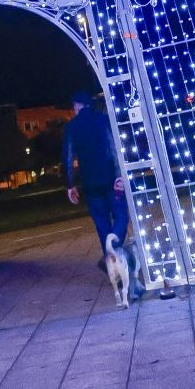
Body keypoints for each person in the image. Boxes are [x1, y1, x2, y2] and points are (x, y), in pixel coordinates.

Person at [62, 91, 144, 297]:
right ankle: (115, 248)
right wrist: (119, 174)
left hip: (90, 183)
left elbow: (68, 156)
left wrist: (70, 184)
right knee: (121, 215)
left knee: (101, 224)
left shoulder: (71, 127)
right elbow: (115, 146)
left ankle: (111, 260)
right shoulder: (104, 120)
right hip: (109, 179)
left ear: (78, 106)